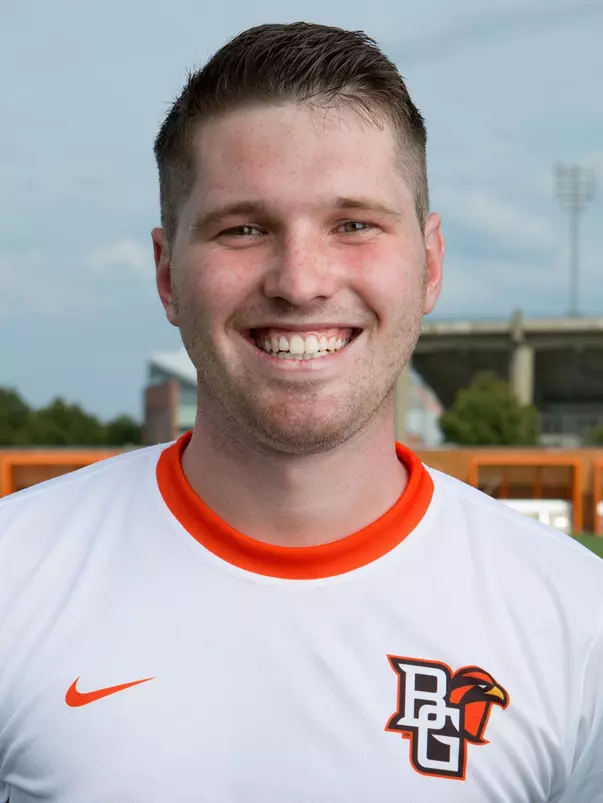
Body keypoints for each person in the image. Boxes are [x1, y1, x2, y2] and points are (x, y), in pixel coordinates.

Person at [0, 21, 601, 803]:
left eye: (353, 223)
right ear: (165, 273)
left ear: (430, 264)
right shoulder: (15, 578)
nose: (300, 280)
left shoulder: (575, 617)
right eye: (243, 228)